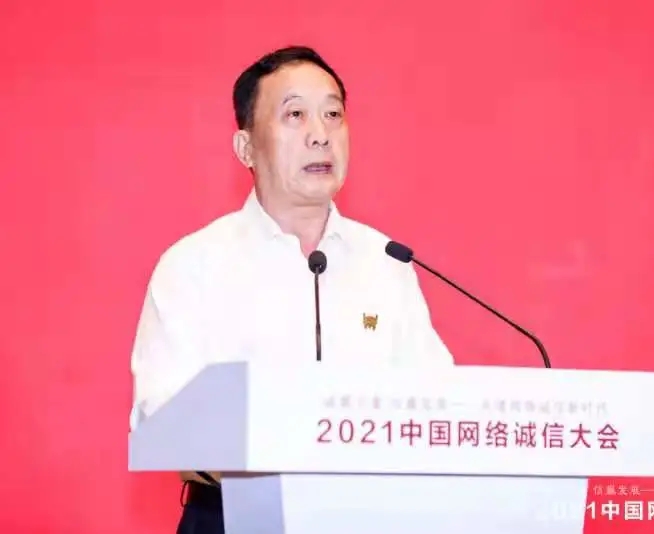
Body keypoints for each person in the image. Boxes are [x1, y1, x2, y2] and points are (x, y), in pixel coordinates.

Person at [128, 46, 454, 534]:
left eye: (333, 115)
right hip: (231, 515)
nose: (320, 134)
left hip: (367, 517)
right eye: (295, 115)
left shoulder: (387, 261)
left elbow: (438, 405)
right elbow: (162, 421)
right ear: (246, 148)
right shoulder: (194, 264)